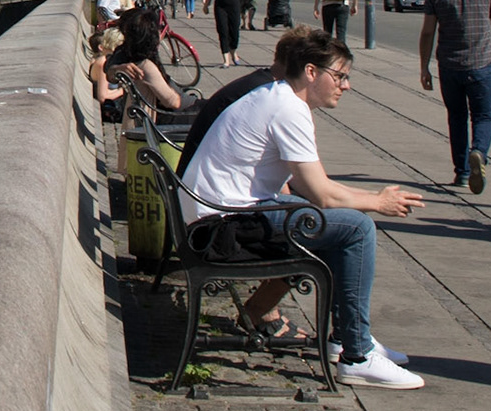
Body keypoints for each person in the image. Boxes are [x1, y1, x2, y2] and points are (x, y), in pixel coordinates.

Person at [181, 26, 426, 388]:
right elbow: (322, 194)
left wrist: (359, 202)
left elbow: (315, 192)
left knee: (333, 221)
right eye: (340, 76)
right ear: (311, 72)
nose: (346, 85)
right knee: (357, 229)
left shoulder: (275, 95)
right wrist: (379, 202)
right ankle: (356, 356)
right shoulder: (288, 109)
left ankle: (345, 338)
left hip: (214, 217)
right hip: (220, 230)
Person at [418, 0, 491, 192]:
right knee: (484, 114)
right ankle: (479, 151)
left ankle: (462, 173)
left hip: (449, 66)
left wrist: (424, 67)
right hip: (480, 65)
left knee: (456, 117)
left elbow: (427, 33)